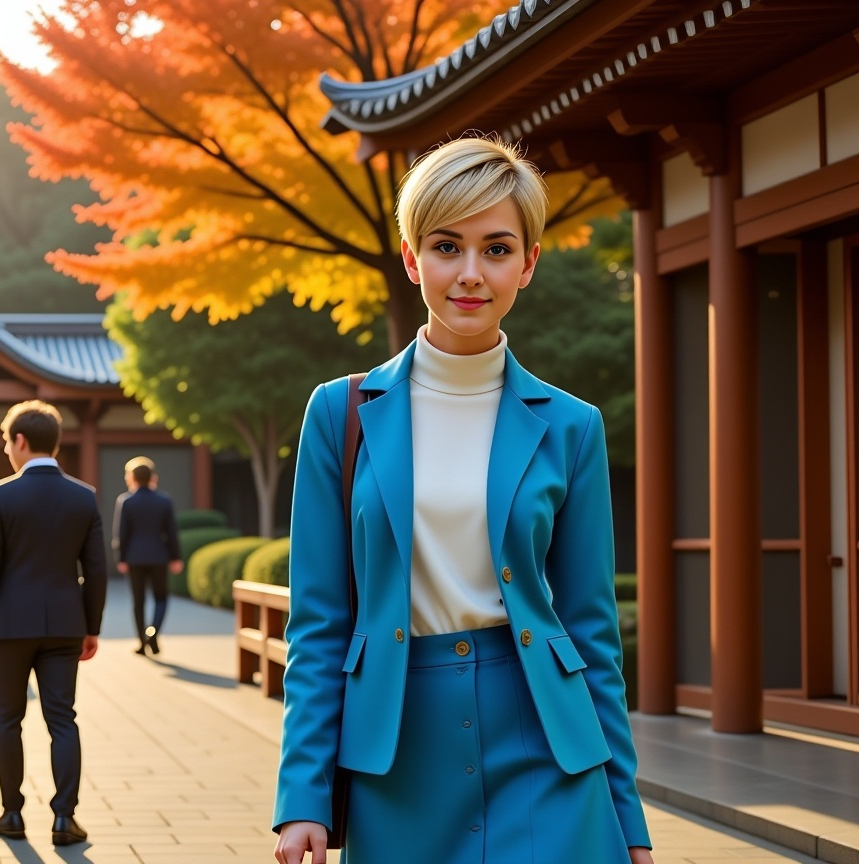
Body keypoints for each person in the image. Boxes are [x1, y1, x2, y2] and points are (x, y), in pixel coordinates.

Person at [272, 137, 654, 864]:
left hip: (547, 740)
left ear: (529, 263)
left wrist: (628, 820)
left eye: (498, 248)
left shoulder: (573, 426)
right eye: (447, 246)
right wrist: (303, 798)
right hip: (397, 745)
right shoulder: (340, 414)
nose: (471, 273)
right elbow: (319, 623)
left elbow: (589, 632)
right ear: (413, 260)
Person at [0, 401, 107, 847]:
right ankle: (65, 819)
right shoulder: (83, 496)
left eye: (7, 441)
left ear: (21, 441)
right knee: (62, 719)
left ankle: (11, 813)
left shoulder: (2, 495)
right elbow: (98, 570)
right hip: (66, 624)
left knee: (9, 718)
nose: (6, 449)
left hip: (9, 624)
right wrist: (92, 627)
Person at [112, 456, 183, 655]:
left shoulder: (125, 501)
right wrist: (176, 557)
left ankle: (142, 642)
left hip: (134, 557)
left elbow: (121, 533)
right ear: (153, 477)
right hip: (159, 556)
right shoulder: (164, 500)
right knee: (161, 598)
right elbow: (171, 532)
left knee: (138, 601)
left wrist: (121, 558)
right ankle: (153, 633)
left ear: (131, 477)